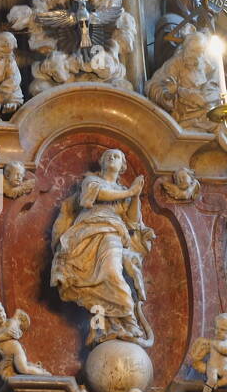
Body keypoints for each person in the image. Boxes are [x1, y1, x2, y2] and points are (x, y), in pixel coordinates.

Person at [50, 148, 156, 346]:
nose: (112, 158)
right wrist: (130, 192)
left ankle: (129, 322)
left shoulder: (124, 191)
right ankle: (101, 328)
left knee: (111, 274)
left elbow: (132, 221)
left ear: (122, 165)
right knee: (92, 286)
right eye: (108, 156)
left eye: (116, 156)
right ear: (102, 162)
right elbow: (96, 195)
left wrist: (135, 196)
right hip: (86, 233)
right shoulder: (91, 181)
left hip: (112, 233)